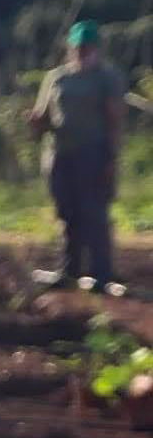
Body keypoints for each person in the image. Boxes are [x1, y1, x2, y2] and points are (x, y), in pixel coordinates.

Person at [29, 20, 126, 293]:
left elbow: (114, 119)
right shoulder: (56, 78)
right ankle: (69, 270)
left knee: (94, 212)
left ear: (96, 48)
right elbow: (44, 116)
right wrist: (35, 123)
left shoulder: (107, 77)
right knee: (66, 212)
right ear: (70, 48)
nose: (82, 53)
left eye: (87, 48)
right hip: (60, 154)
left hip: (92, 153)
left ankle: (103, 273)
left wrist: (111, 157)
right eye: (78, 48)